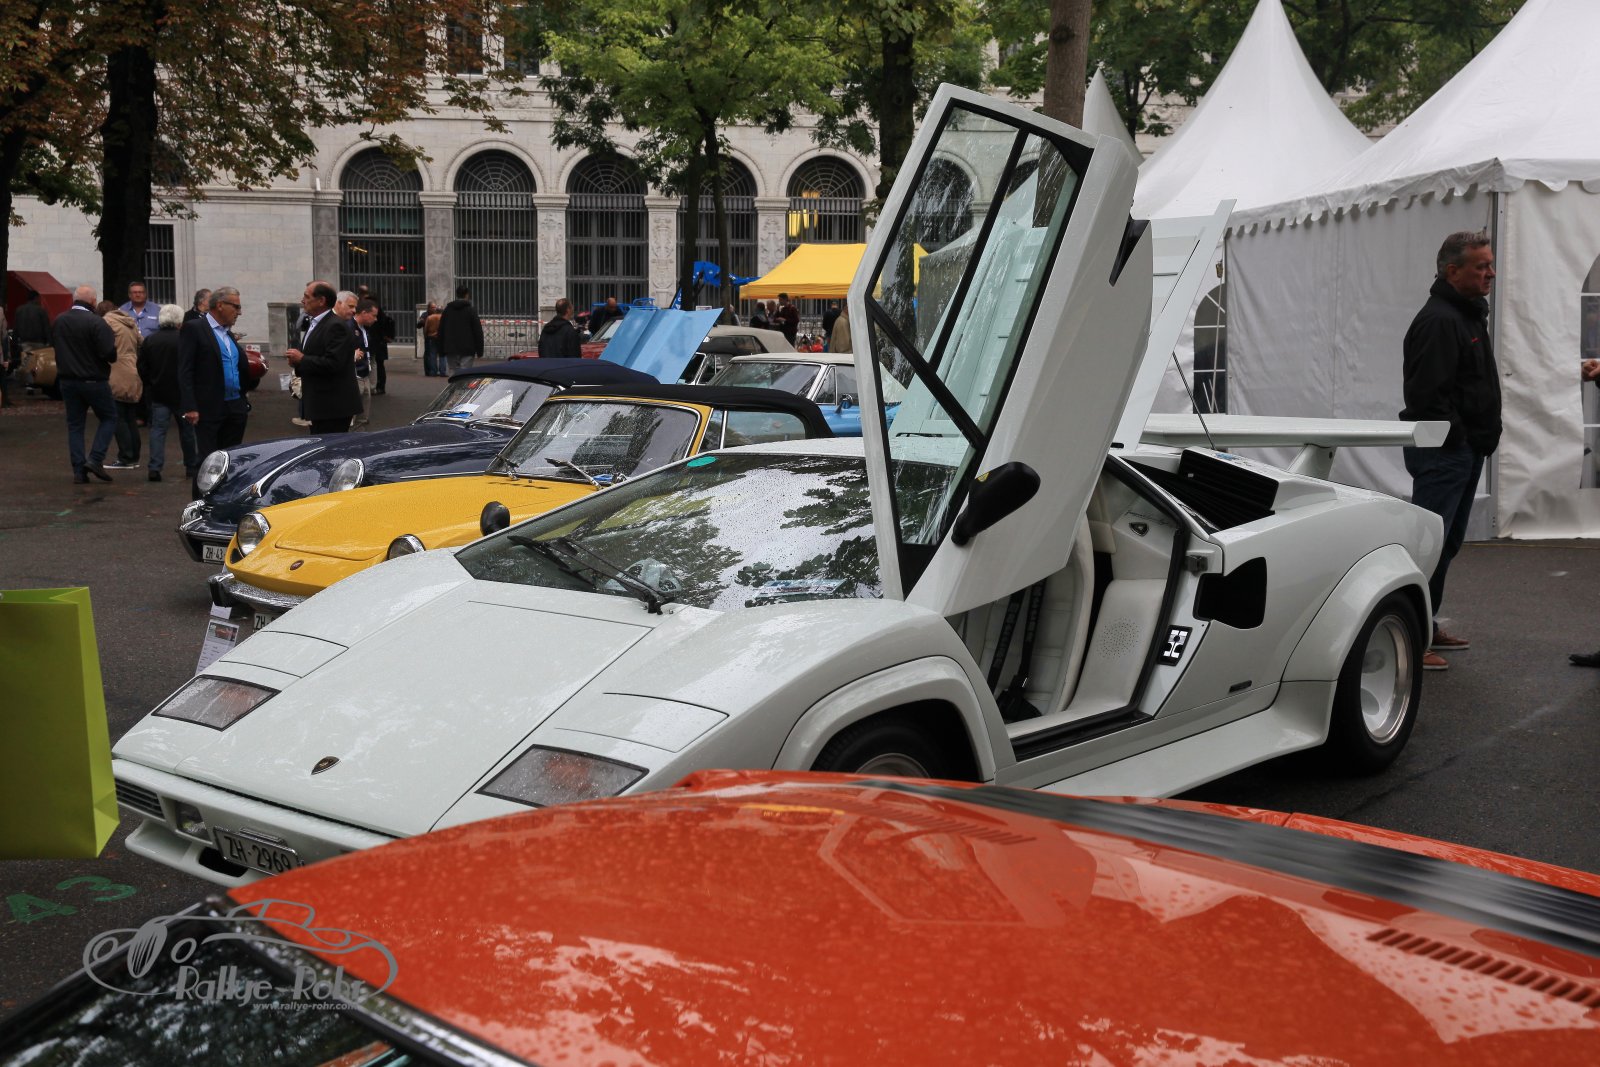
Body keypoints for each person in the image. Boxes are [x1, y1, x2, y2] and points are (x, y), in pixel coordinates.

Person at [1400, 231, 1500, 672]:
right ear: (1452, 271)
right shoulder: (1440, 320)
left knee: (1446, 544)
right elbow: (1427, 396)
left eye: (1490, 264)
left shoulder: (1466, 315)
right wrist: (1460, 438)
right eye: (1481, 266)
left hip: (1462, 450)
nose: (1491, 273)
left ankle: (1425, 622)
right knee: (1429, 546)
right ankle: (1409, 637)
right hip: (1444, 452)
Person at [179, 286, 256, 459]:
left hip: (235, 408)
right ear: (220, 305)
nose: (239, 312)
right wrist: (190, 407)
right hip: (209, 409)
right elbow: (185, 370)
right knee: (209, 461)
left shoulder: (228, 334)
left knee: (231, 459)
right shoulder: (194, 328)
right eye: (236, 307)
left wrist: (242, 401)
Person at [52, 285, 119, 483]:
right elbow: (109, 353)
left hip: (67, 380)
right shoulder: (96, 322)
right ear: (93, 301)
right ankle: (96, 458)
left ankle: (78, 471)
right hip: (94, 379)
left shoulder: (59, 320)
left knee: (75, 425)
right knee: (109, 417)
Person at [284, 280, 361, 434]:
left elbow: (334, 363)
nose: (302, 300)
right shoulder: (316, 323)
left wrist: (302, 359)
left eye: (307, 296)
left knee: (330, 446)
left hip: (333, 407)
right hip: (321, 404)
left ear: (321, 301)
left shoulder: (335, 325)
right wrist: (297, 363)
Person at [139, 303, 199, 481]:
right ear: (180, 320)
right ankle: (191, 466)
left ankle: (155, 467)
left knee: (158, 430)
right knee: (187, 432)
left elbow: (142, 367)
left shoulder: (151, 340)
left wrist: (150, 382)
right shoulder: (185, 340)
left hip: (158, 392)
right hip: (182, 393)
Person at [99, 300, 143, 468]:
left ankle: (126, 457)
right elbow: (142, 343)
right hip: (133, 370)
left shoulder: (106, 322)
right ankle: (134, 456)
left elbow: (102, 347)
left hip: (116, 371)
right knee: (130, 417)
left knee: (118, 417)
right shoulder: (130, 322)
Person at [437, 285, 483, 374]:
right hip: (467, 348)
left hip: (451, 348)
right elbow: (477, 331)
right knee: (465, 374)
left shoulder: (447, 310)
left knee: (453, 373)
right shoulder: (471, 310)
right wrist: (479, 350)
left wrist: (441, 350)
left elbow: (441, 330)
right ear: (467, 295)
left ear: (457, 294)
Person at [14, 289, 50, 393]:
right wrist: (50, 341)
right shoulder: (41, 310)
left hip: (25, 341)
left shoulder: (19, 310)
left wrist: (15, 342)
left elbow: (16, 327)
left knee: (28, 363)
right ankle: (36, 382)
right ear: (36, 298)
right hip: (39, 342)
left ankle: (29, 384)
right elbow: (46, 327)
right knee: (39, 364)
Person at [366, 292, 395, 394]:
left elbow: (375, 329)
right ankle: (380, 386)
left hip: (376, 342)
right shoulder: (380, 312)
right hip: (380, 343)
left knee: (375, 364)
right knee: (379, 364)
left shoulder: (375, 313)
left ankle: (376, 386)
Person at [418, 301, 443, 375]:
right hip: (428, 337)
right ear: (428, 308)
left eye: (435, 307)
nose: (434, 309)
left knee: (433, 355)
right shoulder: (425, 315)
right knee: (428, 355)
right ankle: (428, 371)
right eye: (432, 307)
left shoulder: (436, 315)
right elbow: (418, 325)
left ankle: (433, 370)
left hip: (434, 337)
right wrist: (422, 322)